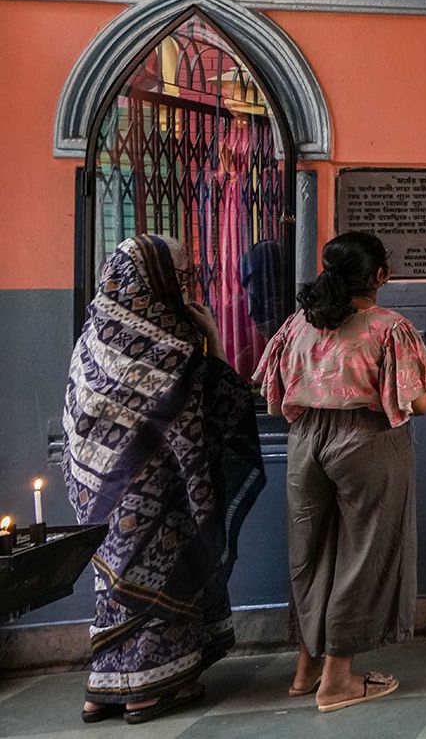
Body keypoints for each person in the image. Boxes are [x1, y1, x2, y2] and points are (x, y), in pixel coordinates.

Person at [63, 235, 266, 724]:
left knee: (114, 588)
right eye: (180, 275)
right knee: (161, 583)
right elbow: (221, 401)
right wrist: (212, 337)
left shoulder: (93, 335)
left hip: (98, 496)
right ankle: (145, 693)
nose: (186, 284)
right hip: (161, 492)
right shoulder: (170, 342)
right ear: (154, 279)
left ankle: (101, 692)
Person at [254, 231, 426, 714]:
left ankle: (306, 669)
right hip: (366, 440)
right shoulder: (390, 328)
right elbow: (419, 403)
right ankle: (337, 680)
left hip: (305, 440)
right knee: (364, 552)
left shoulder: (299, 323)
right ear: (380, 275)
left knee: (310, 551)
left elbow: (272, 394)